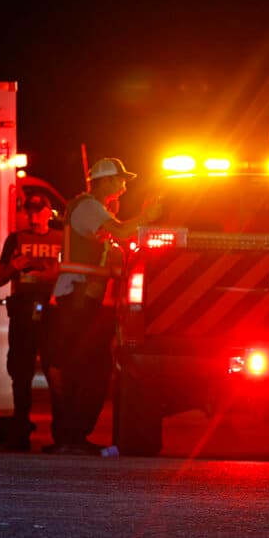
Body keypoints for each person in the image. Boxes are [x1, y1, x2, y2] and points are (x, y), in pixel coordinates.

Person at [43, 157, 160, 455]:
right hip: (76, 299)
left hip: (82, 299)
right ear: (105, 181)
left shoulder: (96, 210)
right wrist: (147, 217)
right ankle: (70, 437)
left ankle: (70, 437)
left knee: (86, 367)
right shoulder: (89, 207)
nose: (124, 184)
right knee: (84, 368)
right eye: (120, 178)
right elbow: (121, 233)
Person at [0, 193, 62, 451]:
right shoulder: (16, 239)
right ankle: (20, 429)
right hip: (23, 312)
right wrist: (14, 266)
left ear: (49, 212)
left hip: (53, 312)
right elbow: (1, 278)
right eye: (29, 211)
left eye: (38, 211)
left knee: (56, 369)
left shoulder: (61, 239)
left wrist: (52, 274)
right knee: (20, 372)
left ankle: (61, 435)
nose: (33, 216)